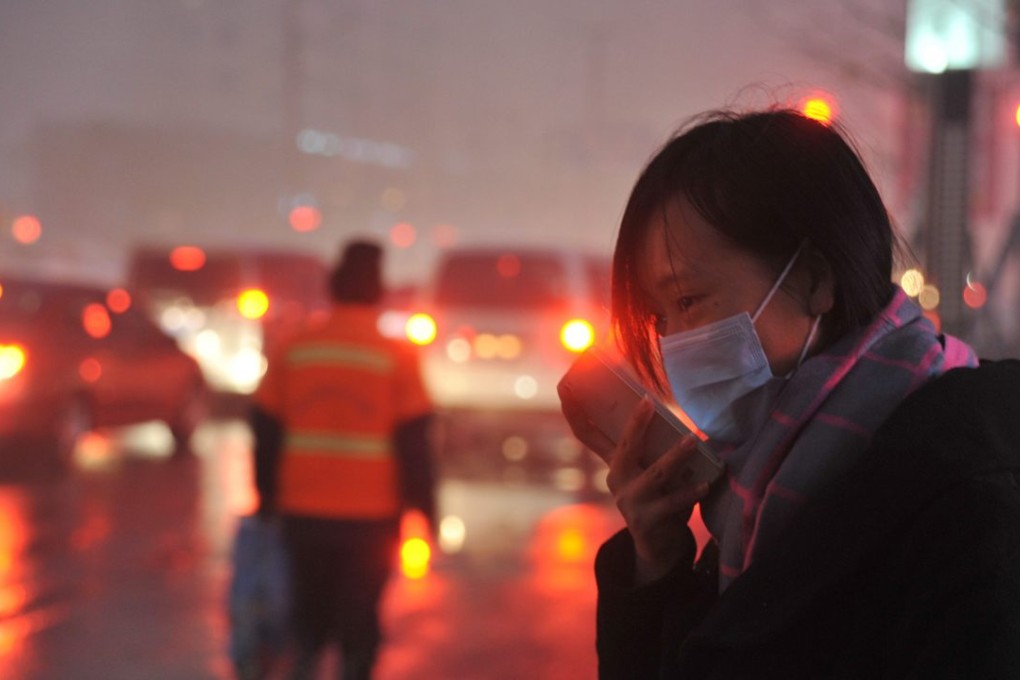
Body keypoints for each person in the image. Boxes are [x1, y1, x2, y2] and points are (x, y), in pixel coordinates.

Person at [559, 108, 1020, 678]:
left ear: (815, 280)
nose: (676, 344)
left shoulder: (970, 509)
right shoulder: (754, 492)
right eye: (659, 319)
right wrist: (657, 564)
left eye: (688, 301)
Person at [250, 239, 437, 680]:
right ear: (378, 291)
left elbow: (263, 429)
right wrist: (426, 512)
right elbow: (416, 444)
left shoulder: (294, 347)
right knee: (359, 618)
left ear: (333, 287)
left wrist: (267, 498)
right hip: (370, 519)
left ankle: (307, 663)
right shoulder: (397, 357)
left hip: (302, 512)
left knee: (308, 613)